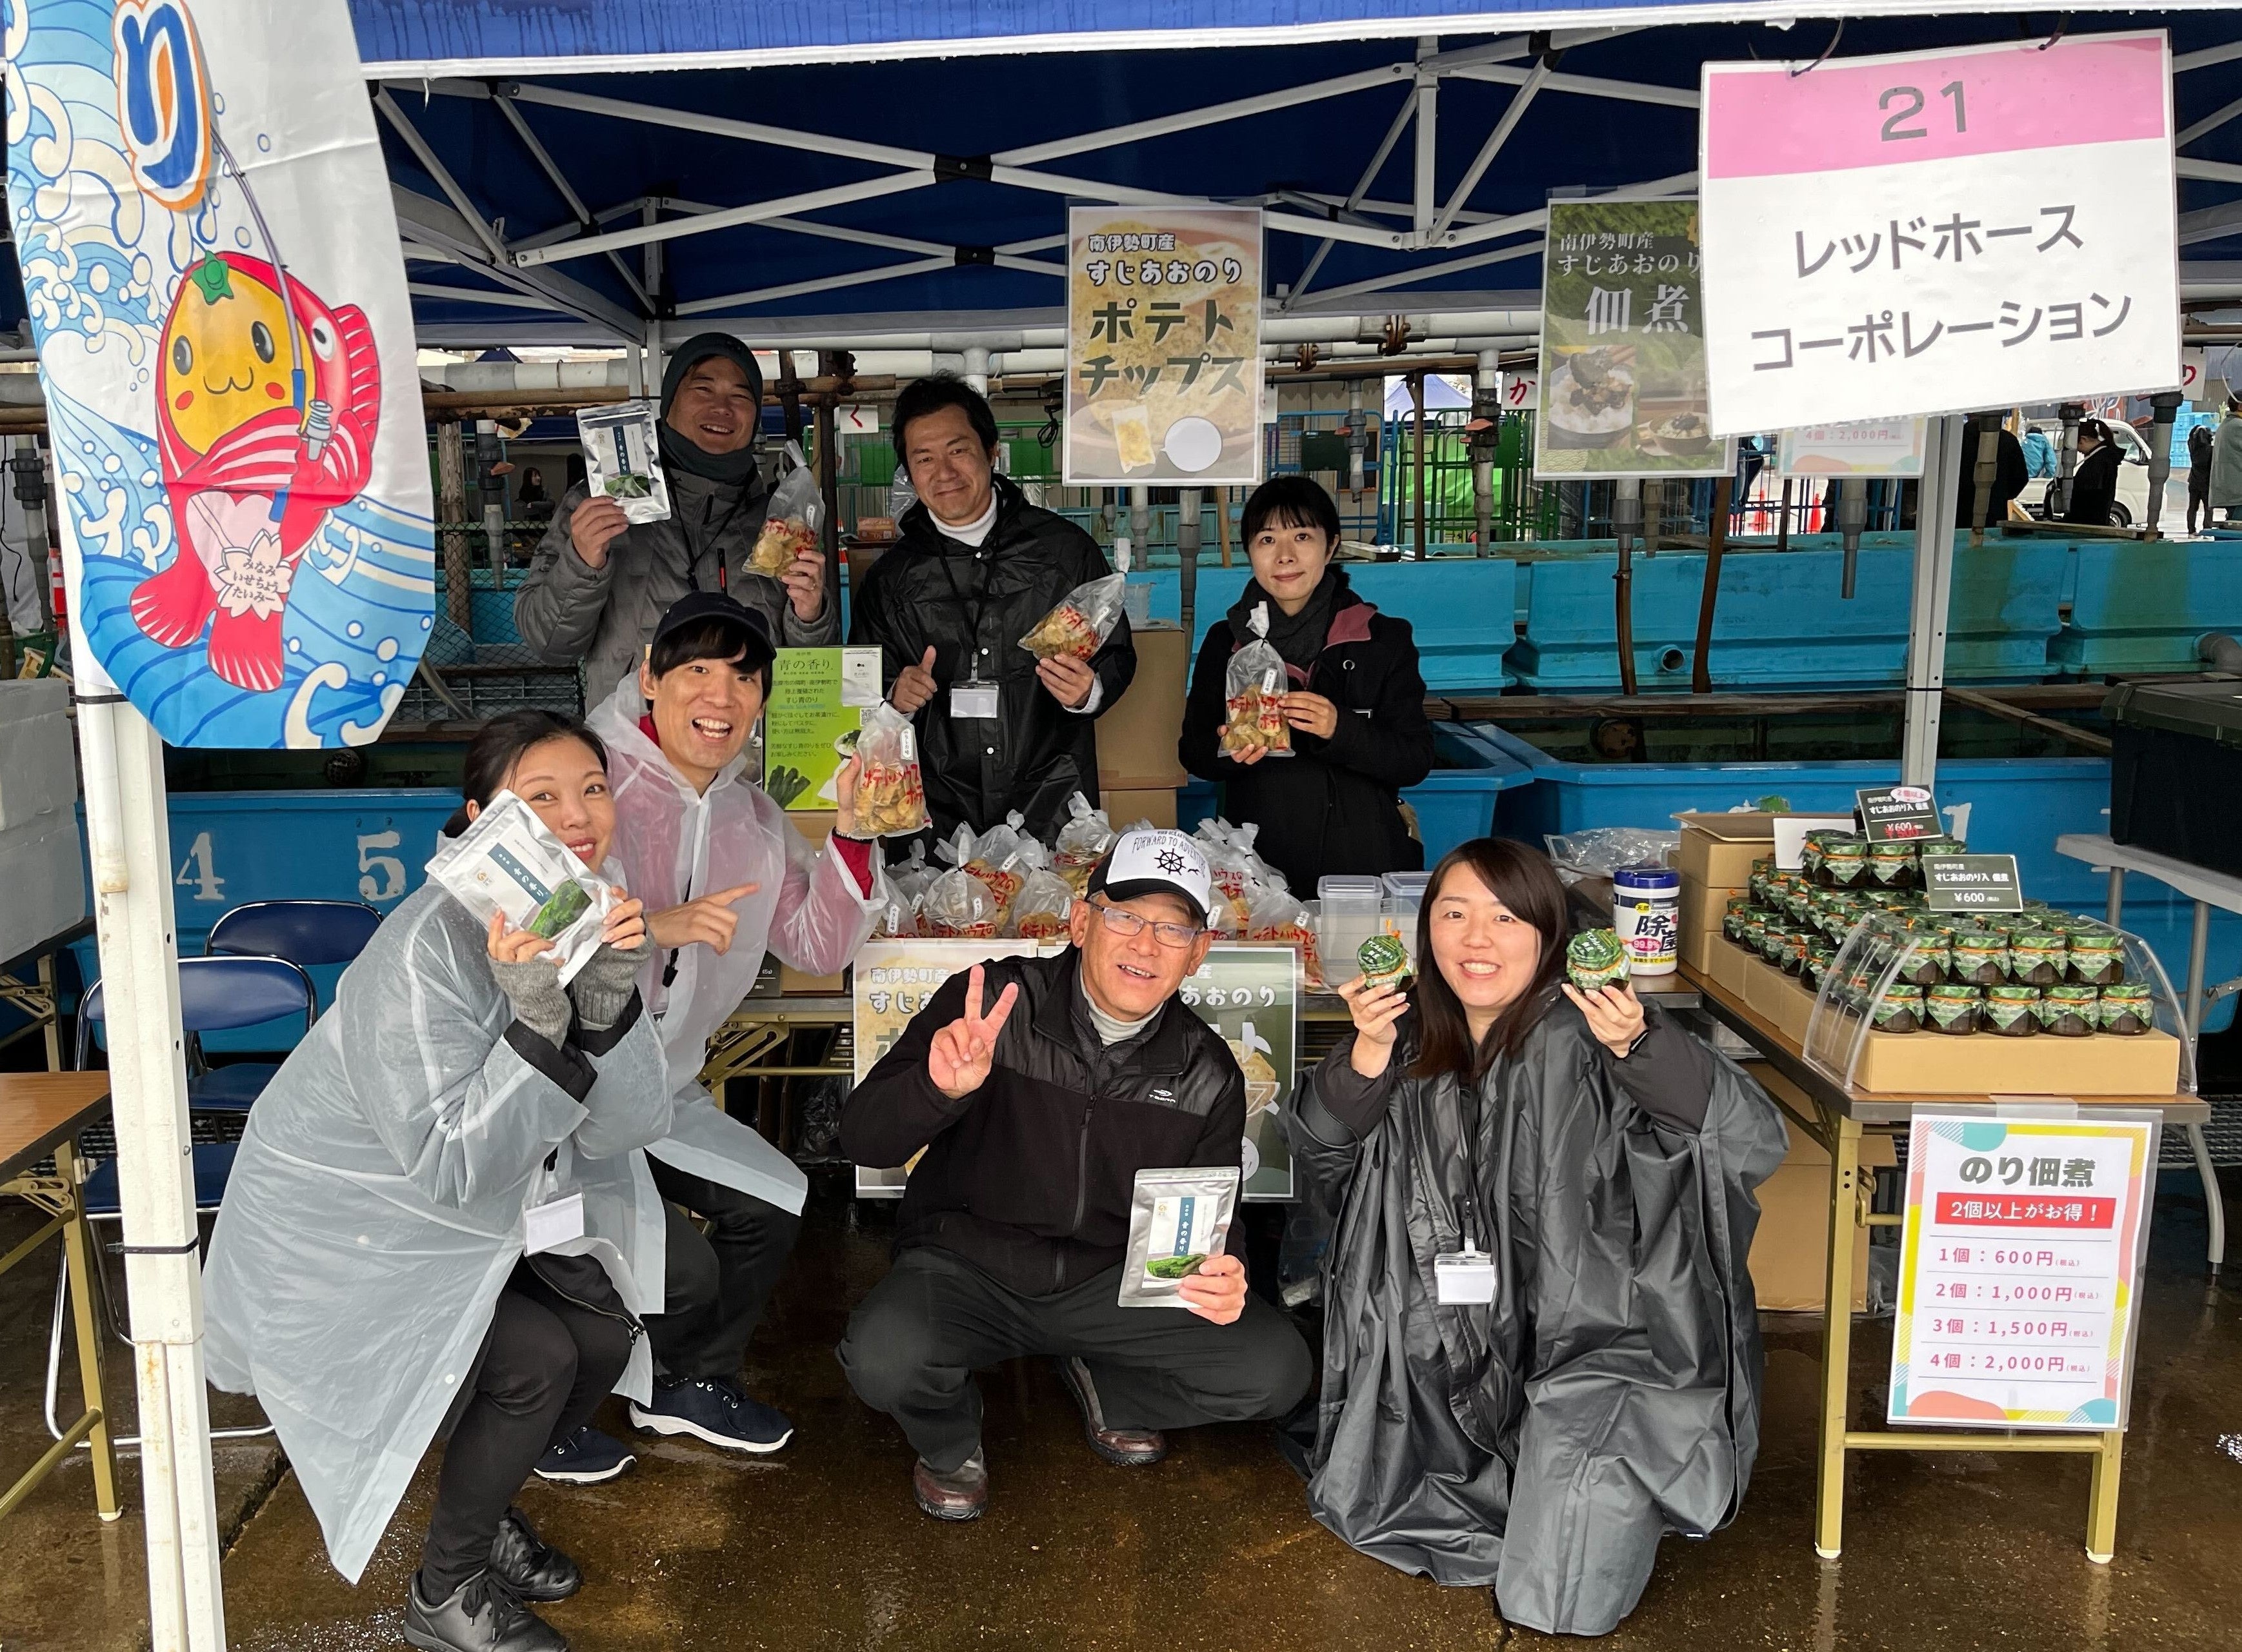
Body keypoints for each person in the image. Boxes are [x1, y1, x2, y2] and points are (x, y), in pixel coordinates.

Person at [203, 711, 672, 1652]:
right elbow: (452, 1161)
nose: (578, 816)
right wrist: (539, 1022)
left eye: (592, 788)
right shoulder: (424, 946)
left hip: (462, 1221)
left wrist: (605, 1001)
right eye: (540, 797)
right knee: (535, 1358)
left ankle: (481, 1512)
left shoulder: (577, 909)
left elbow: (626, 1123)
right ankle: (444, 1593)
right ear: (478, 816)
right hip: (347, 1233)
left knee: (599, 1332)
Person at [1287, 837, 1786, 1638]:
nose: (1475, 939)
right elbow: (1320, 1158)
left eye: (1504, 918)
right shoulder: (1404, 1033)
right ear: (1424, 930)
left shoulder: (1594, 1028)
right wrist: (1365, 1057)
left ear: (1548, 934)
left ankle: (1576, 1472)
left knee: (1558, 1596)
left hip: (1590, 1340)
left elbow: (1746, 1138)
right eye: (1453, 914)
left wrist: (1639, 1048)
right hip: (1431, 1337)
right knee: (1396, 1491)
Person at [836, 829, 1312, 1521]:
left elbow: (1205, 1216)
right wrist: (935, 1090)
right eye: (1125, 917)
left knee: (1275, 1371)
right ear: (1082, 922)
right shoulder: (993, 1003)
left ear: (1198, 952)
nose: (1145, 944)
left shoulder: (1207, 1071)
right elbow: (863, 1139)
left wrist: (1223, 1267)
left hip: (1111, 1283)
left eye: (1173, 928)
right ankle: (951, 1441)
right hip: (969, 1267)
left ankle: (1110, 1386)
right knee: (883, 1355)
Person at [539, 592, 883, 1484]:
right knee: (653, 1262)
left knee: (772, 1197)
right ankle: (538, 1411)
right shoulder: (586, 775)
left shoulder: (754, 820)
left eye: (743, 677)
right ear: (649, 677)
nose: (720, 696)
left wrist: (851, 832)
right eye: (696, 668)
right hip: (546, 1087)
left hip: (656, 1086)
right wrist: (654, 926)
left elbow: (818, 945)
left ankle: (686, 1382)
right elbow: (512, 915)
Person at [847, 373, 1135, 843]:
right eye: (924, 459)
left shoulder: (1063, 551)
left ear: (992, 451)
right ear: (909, 473)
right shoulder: (891, 579)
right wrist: (894, 697)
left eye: (958, 450)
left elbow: (1116, 652)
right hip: (935, 815)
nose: (944, 472)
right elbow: (861, 687)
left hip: (1050, 800)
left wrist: (1089, 691)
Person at [516, 333, 836, 701]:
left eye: (740, 396)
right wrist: (581, 563)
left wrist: (810, 616)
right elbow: (548, 644)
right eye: (703, 389)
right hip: (633, 733)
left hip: (744, 734)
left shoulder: (778, 526)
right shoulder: (601, 504)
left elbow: (808, 675)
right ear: (669, 404)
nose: (722, 408)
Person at [1177, 475, 1433, 891]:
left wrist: (1341, 729)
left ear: (1330, 547)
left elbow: (1415, 760)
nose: (1285, 556)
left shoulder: (1383, 639)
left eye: (1302, 537)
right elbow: (1194, 753)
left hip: (1363, 870)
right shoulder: (1227, 642)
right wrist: (1230, 751)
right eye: (1267, 540)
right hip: (1257, 873)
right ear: (1249, 551)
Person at [1952, 415, 2027, 529]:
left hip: (1956, 515)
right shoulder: (2008, 440)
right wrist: (2000, 494)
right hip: (1995, 514)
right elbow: (2021, 479)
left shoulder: (1953, 440)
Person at [2063, 419, 2123, 527]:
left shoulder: (2099, 461)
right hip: (2095, 520)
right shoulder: (2105, 457)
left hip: (2087, 522)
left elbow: (2086, 490)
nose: (2077, 450)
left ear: (2083, 439)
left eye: (2077, 445)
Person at [2213, 392, 2242, 528]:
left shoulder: (2227, 425)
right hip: (2238, 495)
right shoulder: (2238, 426)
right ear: (2240, 406)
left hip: (2234, 494)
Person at [2188, 417, 2216, 535]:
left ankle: (2191, 530)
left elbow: (2191, 437)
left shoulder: (2193, 448)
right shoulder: (2211, 450)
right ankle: (2207, 530)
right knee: (2208, 509)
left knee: (2192, 508)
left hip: (2194, 482)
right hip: (2206, 484)